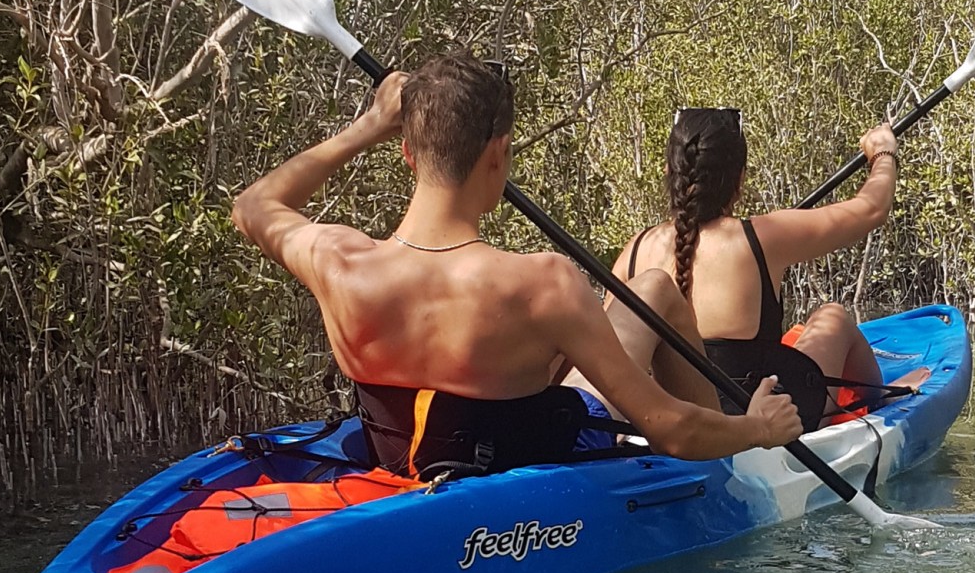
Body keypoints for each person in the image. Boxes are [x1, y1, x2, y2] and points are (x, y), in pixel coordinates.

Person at [230, 54, 802, 477]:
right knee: (656, 295)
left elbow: (253, 205)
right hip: (529, 470)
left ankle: (721, 453)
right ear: (499, 153)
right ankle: (724, 463)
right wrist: (760, 428)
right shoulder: (540, 284)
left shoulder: (338, 263)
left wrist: (368, 126)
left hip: (404, 462)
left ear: (405, 150)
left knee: (651, 285)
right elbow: (669, 428)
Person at [612, 108, 925, 431]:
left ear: (668, 171)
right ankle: (878, 402)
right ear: (740, 178)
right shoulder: (762, 237)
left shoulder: (635, 250)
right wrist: (884, 152)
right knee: (833, 317)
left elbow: (611, 350)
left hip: (673, 424)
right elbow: (871, 209)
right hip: (766, 420)